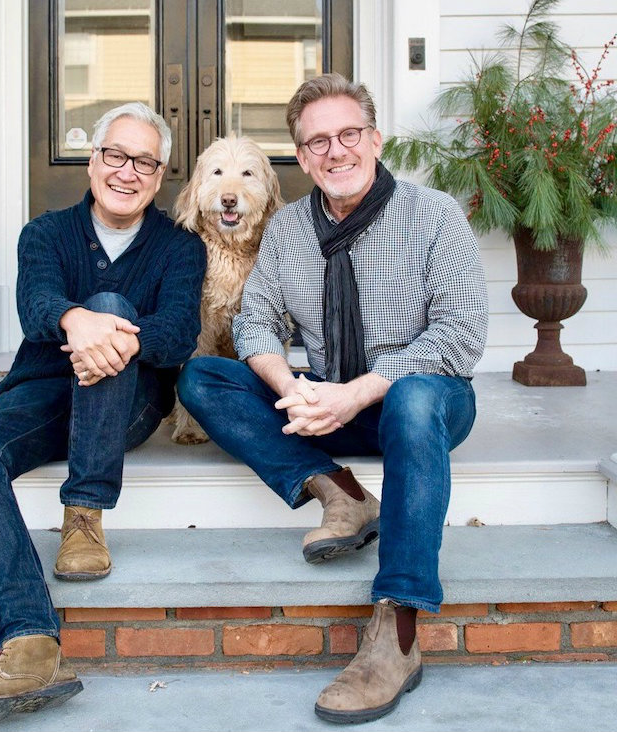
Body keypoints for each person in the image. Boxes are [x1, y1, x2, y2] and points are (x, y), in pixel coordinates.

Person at [177, 73, 488, 724]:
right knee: (204, 378)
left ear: (374, 140)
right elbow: (256, 321)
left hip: (423, 402)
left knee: (413, 402)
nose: (335, 151)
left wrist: (358, 392)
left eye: (349, 134)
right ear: (302, 155)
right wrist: (294, 389)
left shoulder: (434, 217)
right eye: (317, 141)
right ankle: (341, 494)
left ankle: (397, 631)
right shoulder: (290, 229)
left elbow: (460, 336)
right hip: (328, 403)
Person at [0, 102, 206, 729]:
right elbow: (36, 306)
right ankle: (30, 640)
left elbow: (178, 332)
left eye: (144, 162)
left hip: (127, 403)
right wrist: (77, 323)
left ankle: (84, 512)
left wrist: (116, 336)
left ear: (159, 176)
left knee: (109, 302)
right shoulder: (46, 233)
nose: (127, 172)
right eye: (116, 155)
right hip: (46, 390)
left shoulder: (180, 247)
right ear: (93, 159)